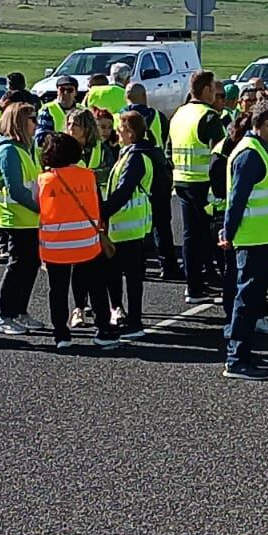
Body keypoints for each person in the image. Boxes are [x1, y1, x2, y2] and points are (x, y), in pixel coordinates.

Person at [220, 99, 268, 380]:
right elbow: (236, 201)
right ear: (266, 124)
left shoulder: (260, 149)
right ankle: (236, 358)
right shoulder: (250, 154)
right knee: (247, 299)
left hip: (261, 237)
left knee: (252, 299)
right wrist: (229, 232)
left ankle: (244, 352)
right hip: (251, 238)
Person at [37, 131, 114, 352]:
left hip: (55, 245)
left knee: (58, 290)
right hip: (86, 242)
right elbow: (97, 204)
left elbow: (38, 205)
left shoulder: (44, 180)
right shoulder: (88, 175)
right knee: (97, 286)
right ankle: (103, 329)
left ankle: (61, 333)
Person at [171, 69, 227, 303]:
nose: (216, 95)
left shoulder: (179, 114)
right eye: (214, 90)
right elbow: (220, 156)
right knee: (211, 235)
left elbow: (168, 148)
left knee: (190, 236)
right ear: (205, 90)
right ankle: (207, 285)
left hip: (181, 180)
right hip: (203, 184)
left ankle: (194, 286)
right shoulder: (210, 117)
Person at [0, 102, 45, 336]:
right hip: (17, 218)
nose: (36, 124)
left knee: (29, 265)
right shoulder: (9, 151)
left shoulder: (23, 148)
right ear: (20, 122)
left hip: (28, 219)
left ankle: (18, 311)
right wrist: (41, 209)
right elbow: (16, 190)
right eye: (32, 119)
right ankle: (3, 314)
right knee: (17, 266)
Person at [103, 110, 154, 339]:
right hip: (123, 225)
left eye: (121, 129)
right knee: (117, 273)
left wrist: (102, 211)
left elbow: (123, 192)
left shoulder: (136, 157)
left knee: (132, 276)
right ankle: (124, 314)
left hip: (129, 226)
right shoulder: (130, 153)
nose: (118, 133)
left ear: (131, 133)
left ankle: (135, 320)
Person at [123, 80, 181, 279]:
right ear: (145, 97)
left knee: (134, 221)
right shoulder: (158, 116)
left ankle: (138, 266)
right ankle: (168, 266)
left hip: (132, 167)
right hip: (157, 169)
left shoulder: (120, 117)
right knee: (162, 223)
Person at [36, 75, 80, 145]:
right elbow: (41, 137)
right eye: (62, 90)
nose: (65, 93)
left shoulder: (82, 110)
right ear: (57, 92)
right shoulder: (47, 109)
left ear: (76, 92)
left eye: (69, 90)